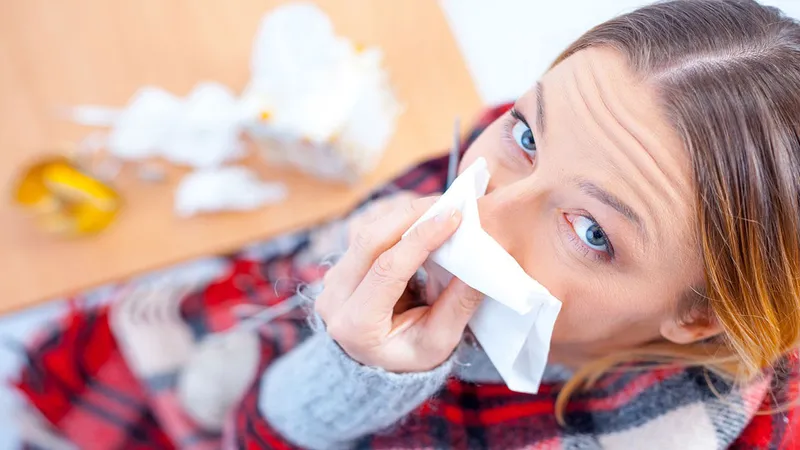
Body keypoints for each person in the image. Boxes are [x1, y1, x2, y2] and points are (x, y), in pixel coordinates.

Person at [15, 0, 800, 448]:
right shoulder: (565, 140)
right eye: (528, 133)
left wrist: (349, 380)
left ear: (698, 317)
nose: (482, 210)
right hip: (184, 337)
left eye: (591, 231)